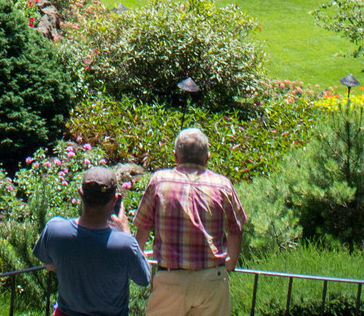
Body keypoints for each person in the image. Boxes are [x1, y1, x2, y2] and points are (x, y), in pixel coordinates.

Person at [133, 129, 246, 316]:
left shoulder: (159, 181)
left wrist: (138, 260)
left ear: (175, 156)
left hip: (171, 279)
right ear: (207, 157)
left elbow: (143, 226)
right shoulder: (223, 184)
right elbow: (236, 229)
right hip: (212, 280)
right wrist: (230, 262)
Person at [35, 167, 150, 316]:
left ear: (80, 193)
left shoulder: (54, 229)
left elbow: (49, 265)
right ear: (115, 200)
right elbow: (144, 279)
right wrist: (126, 232)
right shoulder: (125, 244)